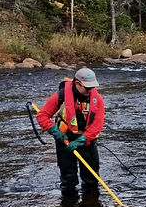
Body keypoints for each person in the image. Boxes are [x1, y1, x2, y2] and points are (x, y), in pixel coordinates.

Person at [36, 67, 105, 196]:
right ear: (78, 83)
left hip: (87, 142)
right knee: (68, 180)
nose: (90, 91)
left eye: (92, 88)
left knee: (92, 179)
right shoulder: (60, 96)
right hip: (65, 140)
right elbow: (42, 116)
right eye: (87, 88)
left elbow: (97, 124)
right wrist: (54, 130)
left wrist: (83, 140)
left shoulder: (97, 99)